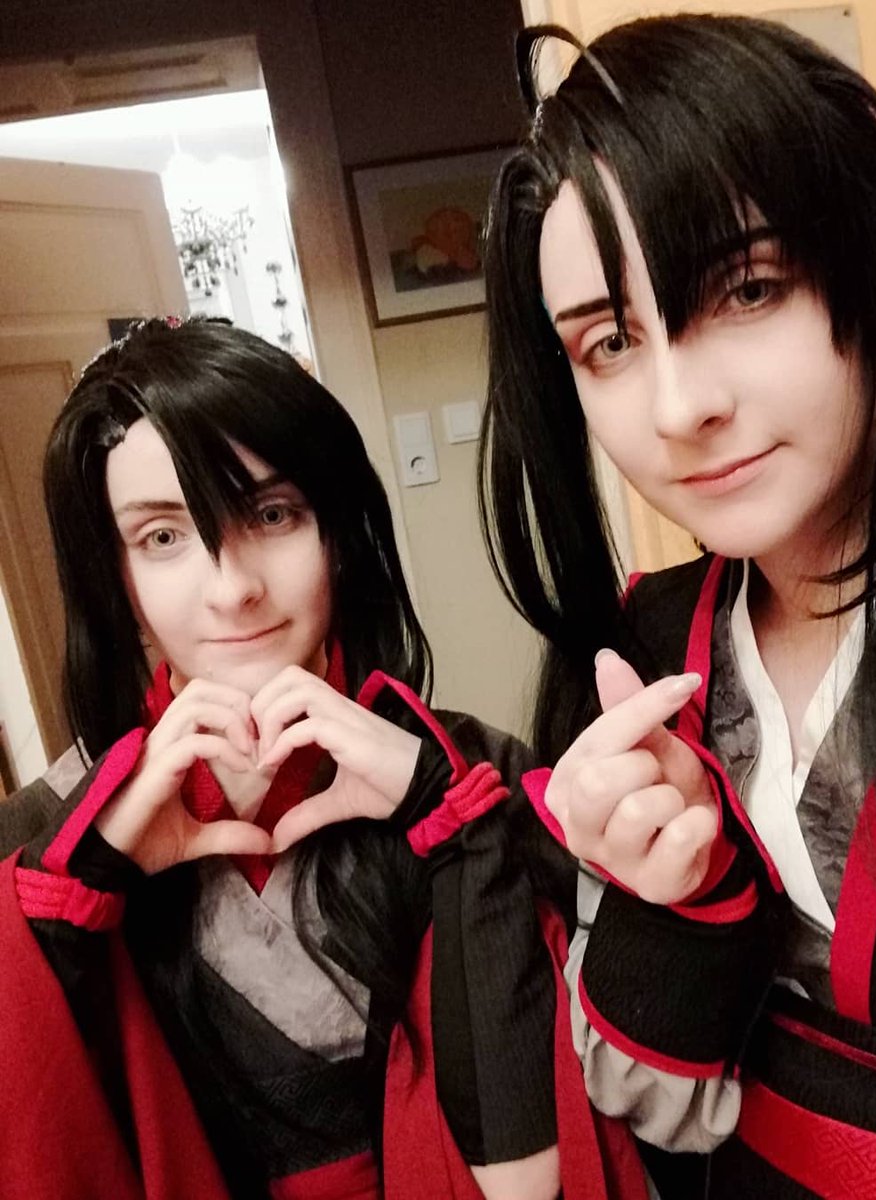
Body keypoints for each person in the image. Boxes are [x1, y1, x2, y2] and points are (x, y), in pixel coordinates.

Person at [479, 15, 876, 1197]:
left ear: (872, 263)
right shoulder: (638, 658)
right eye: (609, 342)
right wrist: (674, 902)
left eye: (747, 288)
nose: (676, 405)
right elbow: (657, 1111)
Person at [0, 317, 641, 1200]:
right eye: (163, 538)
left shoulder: (479, 774)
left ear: (338, 534)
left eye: (272, 515)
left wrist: (449, 819)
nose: (234, 588)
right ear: (118, 582)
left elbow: (544, 1162)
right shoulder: (39, 841)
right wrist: (70, 907)